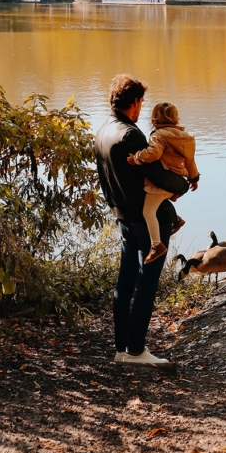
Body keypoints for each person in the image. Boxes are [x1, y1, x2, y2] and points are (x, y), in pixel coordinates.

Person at [95, 74, 190, 367]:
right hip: (148, 222)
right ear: (135, 102)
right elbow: (156, 174)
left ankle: (122, 349)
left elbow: (108, 179)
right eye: (141, 103)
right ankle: (136, 351)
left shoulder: (103, 131)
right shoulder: (131, 134)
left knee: (125, 284)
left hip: (124, 219)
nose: (141, 109)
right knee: (147, 285)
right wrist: (183, 184)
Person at [127, 102, 200, 264]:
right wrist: (194, 179)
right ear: (176, 118)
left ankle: (156, 245)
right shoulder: (186, 137)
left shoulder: (158, 135)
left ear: (154, 119)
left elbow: (153, 154)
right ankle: (176, 218)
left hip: (162, 181)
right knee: (156, 202)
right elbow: (190, 161)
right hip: (177, 179)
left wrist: (136, 158)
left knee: (148, 212)